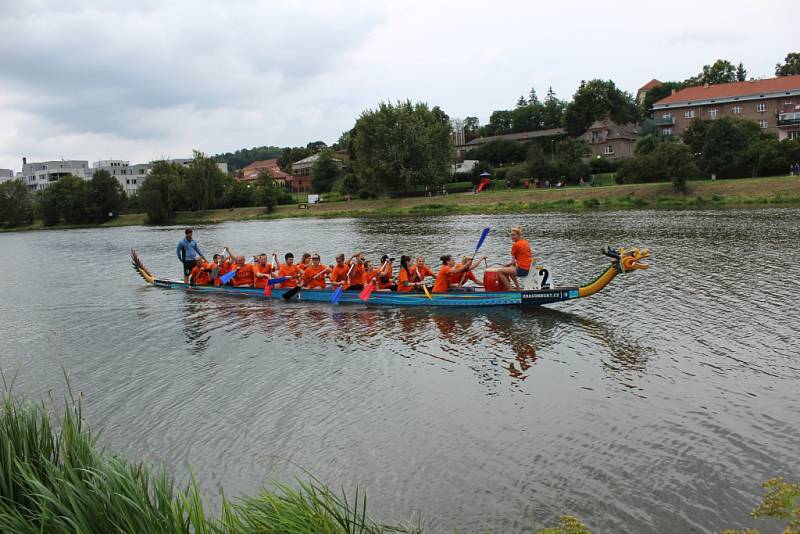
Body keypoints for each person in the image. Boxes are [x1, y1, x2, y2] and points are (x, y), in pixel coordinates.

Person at [488, 226, 533, 291]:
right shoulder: (525, 242)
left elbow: (513, 262)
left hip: (523, 270)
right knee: (510, 269)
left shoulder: (515, 245)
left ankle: (510, 289)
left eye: (514, 235)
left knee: (500, 271)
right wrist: (509, 265)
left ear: (519, 235)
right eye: (511, 235)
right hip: (529, 268)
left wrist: (507, 265)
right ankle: (518, 288)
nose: (512, 237)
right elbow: (519, 260)